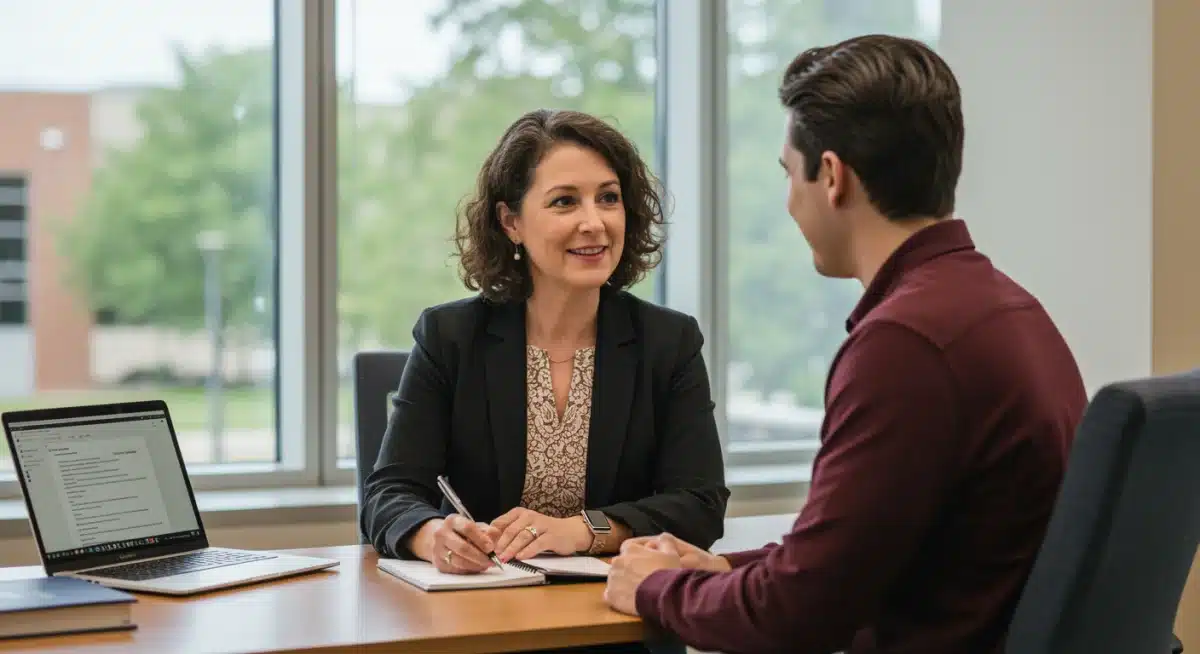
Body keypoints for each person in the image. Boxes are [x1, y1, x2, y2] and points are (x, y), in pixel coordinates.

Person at [603, 34, 1088, 654]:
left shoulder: (906, 346)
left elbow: (797, 616)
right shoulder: (1003, 307)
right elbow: (848, 557)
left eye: (789, 174)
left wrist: (656, 589)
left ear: (831, 176)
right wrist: (722, 571)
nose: (789, 201)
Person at [360, 109, 728, 584]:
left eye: (609, 198)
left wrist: (581, 529)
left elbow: (700, 505)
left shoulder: (668, 342)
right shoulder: (449, 337)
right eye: (564, 202)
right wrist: (434, 536)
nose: (594, 222)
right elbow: (388, 493)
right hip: (480, 615)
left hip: (618, 618)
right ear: (511, 222)